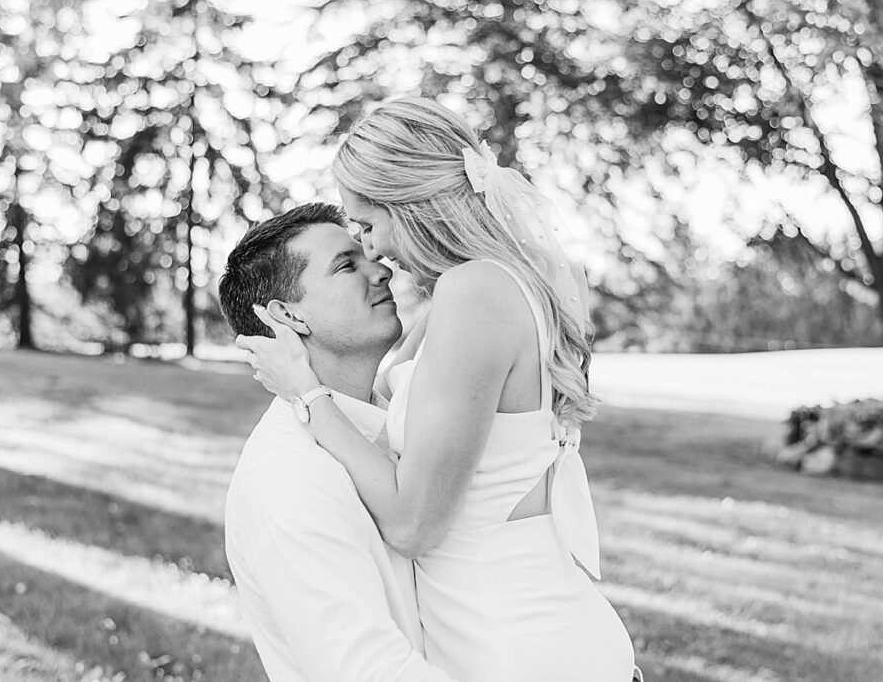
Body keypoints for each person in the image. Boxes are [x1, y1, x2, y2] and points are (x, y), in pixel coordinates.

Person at [238, 98, 638, 682]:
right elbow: (391, 391)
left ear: (408, 206)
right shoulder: (477, 290)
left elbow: (411, 524)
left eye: (367, 225)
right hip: (524, 633)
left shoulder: (475, 293)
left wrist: (306, 395)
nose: (372, 250)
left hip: (518, 649)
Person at [218, 203, 456, 682]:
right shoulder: (289, 478)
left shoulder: (386, 418)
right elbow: (368, 671)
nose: (382, 270)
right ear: (288, 315)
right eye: (346, 266)